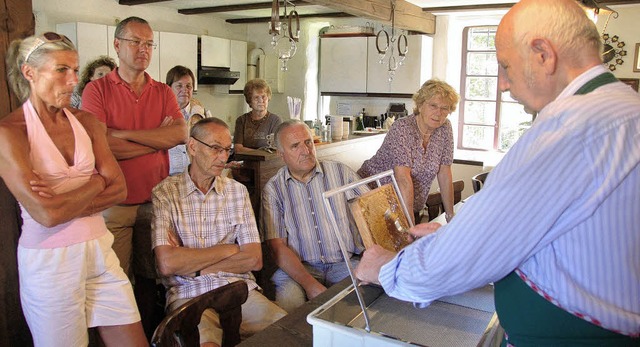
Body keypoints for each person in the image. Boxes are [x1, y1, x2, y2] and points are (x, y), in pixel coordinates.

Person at [355, 0, 640, 345]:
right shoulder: (623, 109)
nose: (503, 84)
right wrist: (454, 229)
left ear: (543, 54)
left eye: (505, 66)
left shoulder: (569, 131)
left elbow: (466, 254)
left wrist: (387, 268)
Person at [0, 32, 146, 346]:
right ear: (30, 72)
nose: (73, 80)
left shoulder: (87, 122)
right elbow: (47, 215)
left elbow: (119, 188)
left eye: (76, 70)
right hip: (49, 265)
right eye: (62, 70)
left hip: (99, 251)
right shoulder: (10, 133)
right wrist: (96, 181)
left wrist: (63, 200)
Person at [81, 16, 188, 338]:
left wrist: (122, 134)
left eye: (149, 44)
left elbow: (180, 134)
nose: (143, 50)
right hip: (115, 205)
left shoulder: (161, 91)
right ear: (117, 45)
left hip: (157, 201)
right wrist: (156, 137)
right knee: (114, 282)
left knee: (153, 279)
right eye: (135, 42)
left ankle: (153, 336)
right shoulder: (96, 90)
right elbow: (100, 147)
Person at [152, 117, 286, 346]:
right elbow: (167, 264)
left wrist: (194, 267)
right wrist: (230, 249)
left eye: (227, 150)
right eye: (216, 148)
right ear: (192, 147)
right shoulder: (166, 193)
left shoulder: (237, 192)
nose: (224, 157)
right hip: (188, 294)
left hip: (238, 290)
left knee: (286, 331)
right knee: (206, 342)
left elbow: (254, 259)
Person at [262, 120, 368, 313]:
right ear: (281, 154)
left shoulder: (340, 172)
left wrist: (371, 253)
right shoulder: (274, 189)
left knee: (363, 305)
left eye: (308, 142)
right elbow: (277, 248)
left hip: (343, 262)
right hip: (300, 268)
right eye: (295, 146)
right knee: (289, 309)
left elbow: (371, 210)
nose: (305, 150)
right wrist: (310, 285)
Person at [357, 79, 459, 223]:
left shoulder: (445, 128)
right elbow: (403, 179)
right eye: (433, 105)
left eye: (445, 108)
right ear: (420, 105)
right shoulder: (402, 128)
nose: (438, 113)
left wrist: (450, 216)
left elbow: (445, 172)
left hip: (405, 203)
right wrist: (411, 227)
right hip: (373, 196)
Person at [166, 65, 212, 175]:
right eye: (179, 86)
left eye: (188, 86)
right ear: (169, 88)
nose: (184, 90)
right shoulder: (159, 114)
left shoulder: (203, 114)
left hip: (195, 177)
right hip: (167, 176)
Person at [234, 78, 282, 151]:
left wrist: (253, 153)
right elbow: (238, 148)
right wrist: (260, 153)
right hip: (244, 161)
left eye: (263, 97)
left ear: (268, 98)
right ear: (249, 101)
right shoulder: (241, 120)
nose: (261, 101)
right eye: (256, 97)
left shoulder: (275, 120)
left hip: (267, 162)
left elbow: (275, 150)